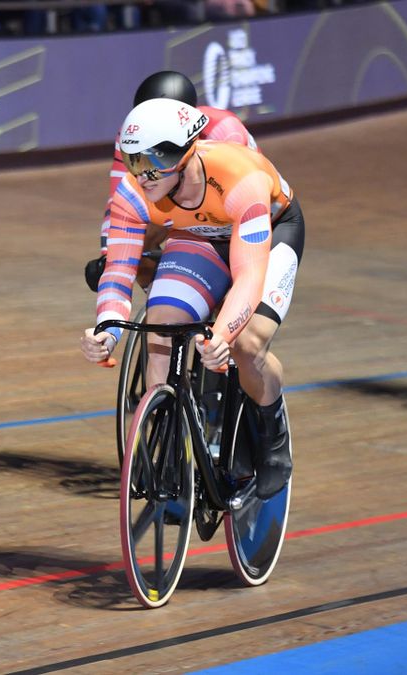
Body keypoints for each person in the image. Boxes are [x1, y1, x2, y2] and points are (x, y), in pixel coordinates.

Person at [79, 98, 304, 500]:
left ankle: (272, 438)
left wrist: (222, 335)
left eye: (151, 163)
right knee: (161, 325)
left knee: (247, 343)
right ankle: (166, 450)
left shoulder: (241, 178)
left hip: (269, 231)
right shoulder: (133, 193)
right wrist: (107, 331)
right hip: (199, 236)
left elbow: (249, 276)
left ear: (182, 155)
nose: (141, 174)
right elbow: (118, 271)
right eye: (132, 161)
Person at [85, 70, 257, 294]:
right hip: (175, 195)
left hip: (227, 203)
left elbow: (240, 196)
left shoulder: (224, 130)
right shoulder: (132, 135)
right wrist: (108, 255)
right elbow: (120, 198)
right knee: (139, 242)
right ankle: (157, 299)